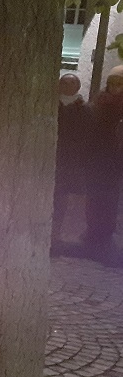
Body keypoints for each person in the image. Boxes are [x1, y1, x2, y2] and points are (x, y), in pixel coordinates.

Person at [84, 65, 123, 260]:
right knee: (96, 196)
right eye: (113, 82)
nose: (116, 86)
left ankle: (105, 235)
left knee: (111, 198)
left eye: (120, 83)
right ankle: (93, 233)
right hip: (99, 156)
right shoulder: (100, 101)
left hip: (116, 158)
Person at [54, 73, 92, 250]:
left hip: (70, 161)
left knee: (61, 199)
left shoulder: (84, 109)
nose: (68, 85)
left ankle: (55, 234)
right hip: (52, 158)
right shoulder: (52, 105)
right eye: (64, 82)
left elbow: (87, 136)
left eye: (71, 82)